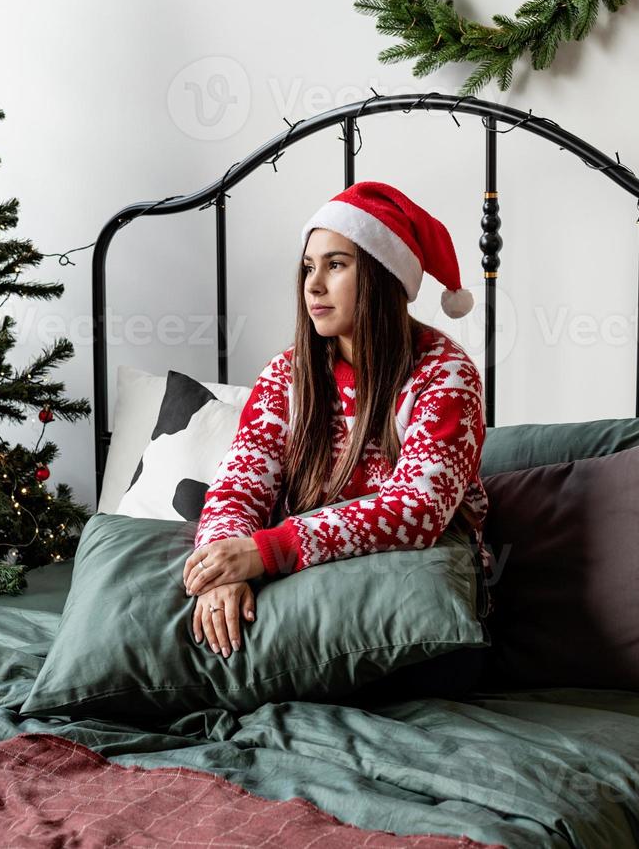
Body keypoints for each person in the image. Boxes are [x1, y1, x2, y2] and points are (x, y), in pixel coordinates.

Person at [182, 180, 492, 660]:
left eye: (336, 264)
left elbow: (417, 509)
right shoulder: (289, 374)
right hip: (304, 575)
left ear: (382, 275)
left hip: (407, 589)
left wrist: (266, 551)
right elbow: (237, 486)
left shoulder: (444, 374)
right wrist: (222, 568)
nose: (313, 284)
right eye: (308, 267)